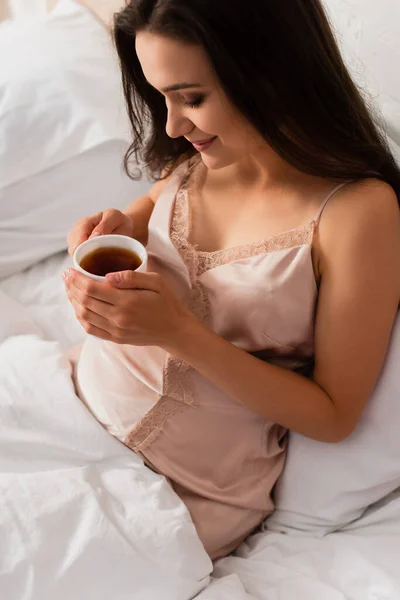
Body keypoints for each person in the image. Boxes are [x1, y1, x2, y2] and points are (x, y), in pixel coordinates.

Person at [64, 0, 400, 560]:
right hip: (74, 400)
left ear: (273, 72)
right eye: (161, 95)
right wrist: (120, 224)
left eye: (191, 98)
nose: (171, 123)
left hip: (178, 490)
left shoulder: (358, 212)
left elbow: (334, 414)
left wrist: (178, 333)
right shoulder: (199, 154)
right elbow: (156, 201)